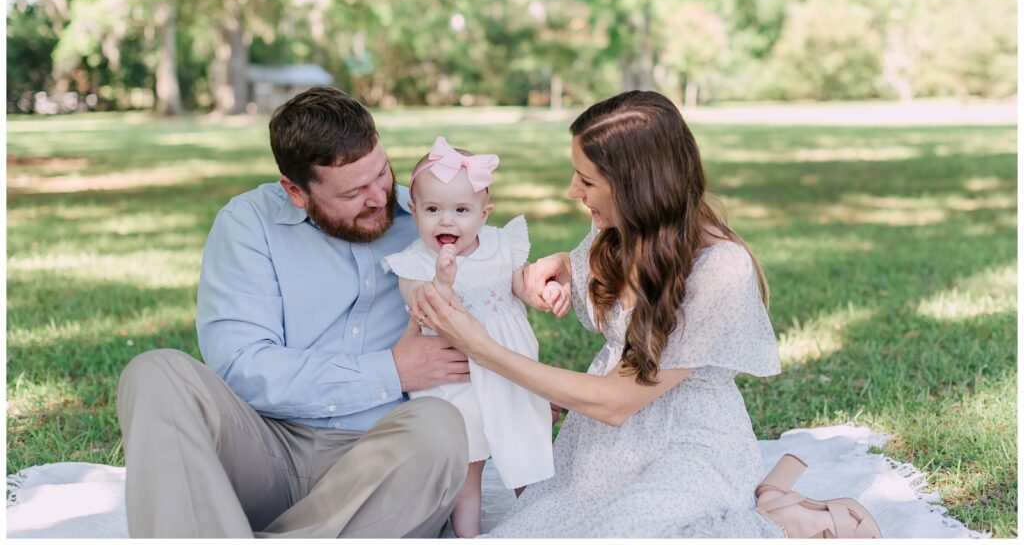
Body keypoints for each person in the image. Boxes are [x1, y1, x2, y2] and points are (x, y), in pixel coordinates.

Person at [410, 90, 882, 538]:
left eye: (587, 179)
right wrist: (553, 267)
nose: (573, 190)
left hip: (687, 442)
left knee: (630, 529)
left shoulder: (720, 269)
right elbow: (583, 276)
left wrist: (482, 350)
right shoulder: (617, 232)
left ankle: (771, 514)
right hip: (598, 450)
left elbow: (615, 402)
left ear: (637, 187)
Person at [115, 87, 472, 538]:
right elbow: (243, 365)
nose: (379, 198)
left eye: (381, 172)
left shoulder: (433, 221)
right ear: (295, 191)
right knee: (155, 373)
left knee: (439, 429)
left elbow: (495, 301)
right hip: (265, 450)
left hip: (381, 462)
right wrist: (391, 372)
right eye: (353, 192)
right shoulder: (248, 224)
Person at [381, 136, 568, 537]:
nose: (446, 221)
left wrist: (541, 290)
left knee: (527, 450)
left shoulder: (501, 244)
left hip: (509, 367)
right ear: (413, 213)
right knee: (467, 464)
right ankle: (468, 534)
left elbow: (519, 283)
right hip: (456, 378)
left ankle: (542, 525)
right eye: (433, 209)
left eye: (461, 210)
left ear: (485, 214)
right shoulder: (414, 263)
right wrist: (443, 281)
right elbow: (426, 308)